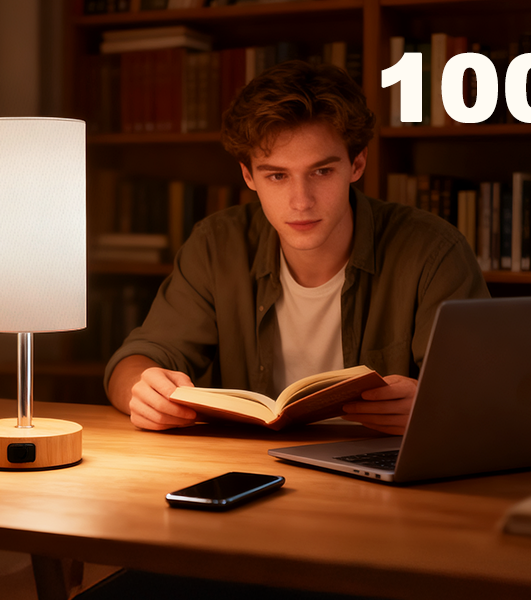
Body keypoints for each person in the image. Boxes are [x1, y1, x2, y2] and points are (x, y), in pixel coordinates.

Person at [104, 60, 489, 435]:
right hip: (251, 473)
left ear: (357, 164)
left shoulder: (432, 251)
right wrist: (141, 390)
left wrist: (437, 407)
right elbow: (137, 359)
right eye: (277, 175)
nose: (301, 201)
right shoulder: (216, 245)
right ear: (248, 175)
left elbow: (486, 392)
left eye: (321, 171)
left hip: (382, 479)